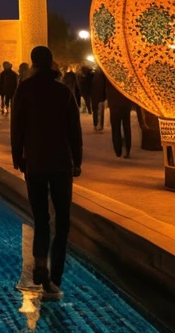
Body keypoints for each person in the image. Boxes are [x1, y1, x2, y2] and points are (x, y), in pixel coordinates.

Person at [11, 45, 82, 301]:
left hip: (36, 162)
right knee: (62, 220)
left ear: (32, 63)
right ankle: (54, 279)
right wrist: (77, 160)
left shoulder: (25, 90)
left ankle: (40, 264)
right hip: (61, 161)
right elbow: (74, 129)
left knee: (41, 219)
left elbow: (16, 125)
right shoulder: (62, 91)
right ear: (51, 63)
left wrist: (17, 156)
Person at [105, 77, 132, 158]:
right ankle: (127, 149)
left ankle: (118, 150)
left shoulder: (110, 78)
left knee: (115, 128)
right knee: (126, 127)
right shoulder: (126, 78)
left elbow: (107, 91)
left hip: (114, 106)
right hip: (125, 105)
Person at [90, 65, 107, 133]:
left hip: (94, 97)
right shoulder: (103, 77)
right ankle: (99, 126)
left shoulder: (92, 76)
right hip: (100, 97)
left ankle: (95, 125)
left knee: (95, 112)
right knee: (100, 112)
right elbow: (104, 88)